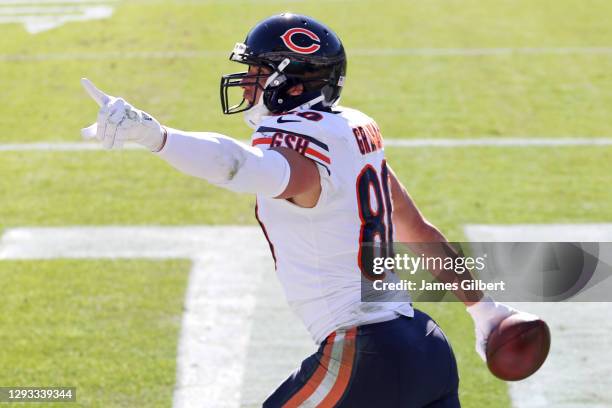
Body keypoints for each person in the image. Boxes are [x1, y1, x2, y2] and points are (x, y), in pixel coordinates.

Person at [81, 13, 521, 408]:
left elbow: (241, 167)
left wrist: (157, 137)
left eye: (257, 71)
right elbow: (417, 228)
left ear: (291, 82)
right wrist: (485, 309)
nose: (247, 82)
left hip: (366, 356)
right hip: (424, 346)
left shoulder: (297, 150)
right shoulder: (352, 129)